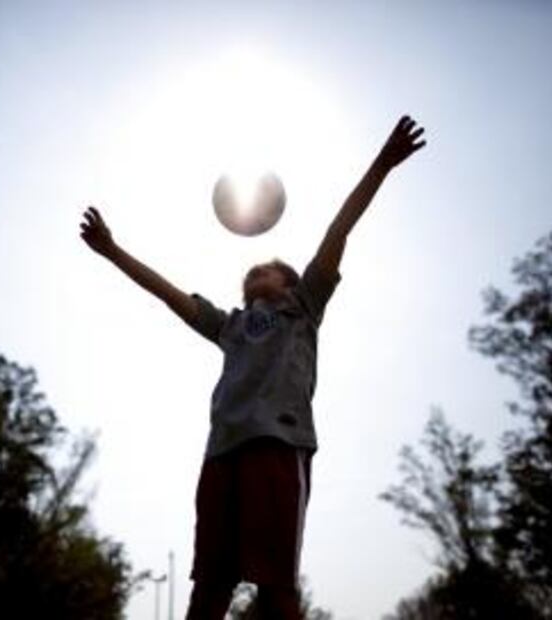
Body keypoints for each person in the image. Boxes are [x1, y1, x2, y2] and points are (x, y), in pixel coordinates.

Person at [79, 116, 426, 619]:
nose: (255, 271)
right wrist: (112, 251)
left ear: (289, 282)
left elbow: (339, 227)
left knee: (275, 587)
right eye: (251, 270)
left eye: (267, 268)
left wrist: (383, 163)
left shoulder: (303, 305)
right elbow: (166, 292)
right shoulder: (229, 325)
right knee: (209, 586)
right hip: (221, 452)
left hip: (278, 447)